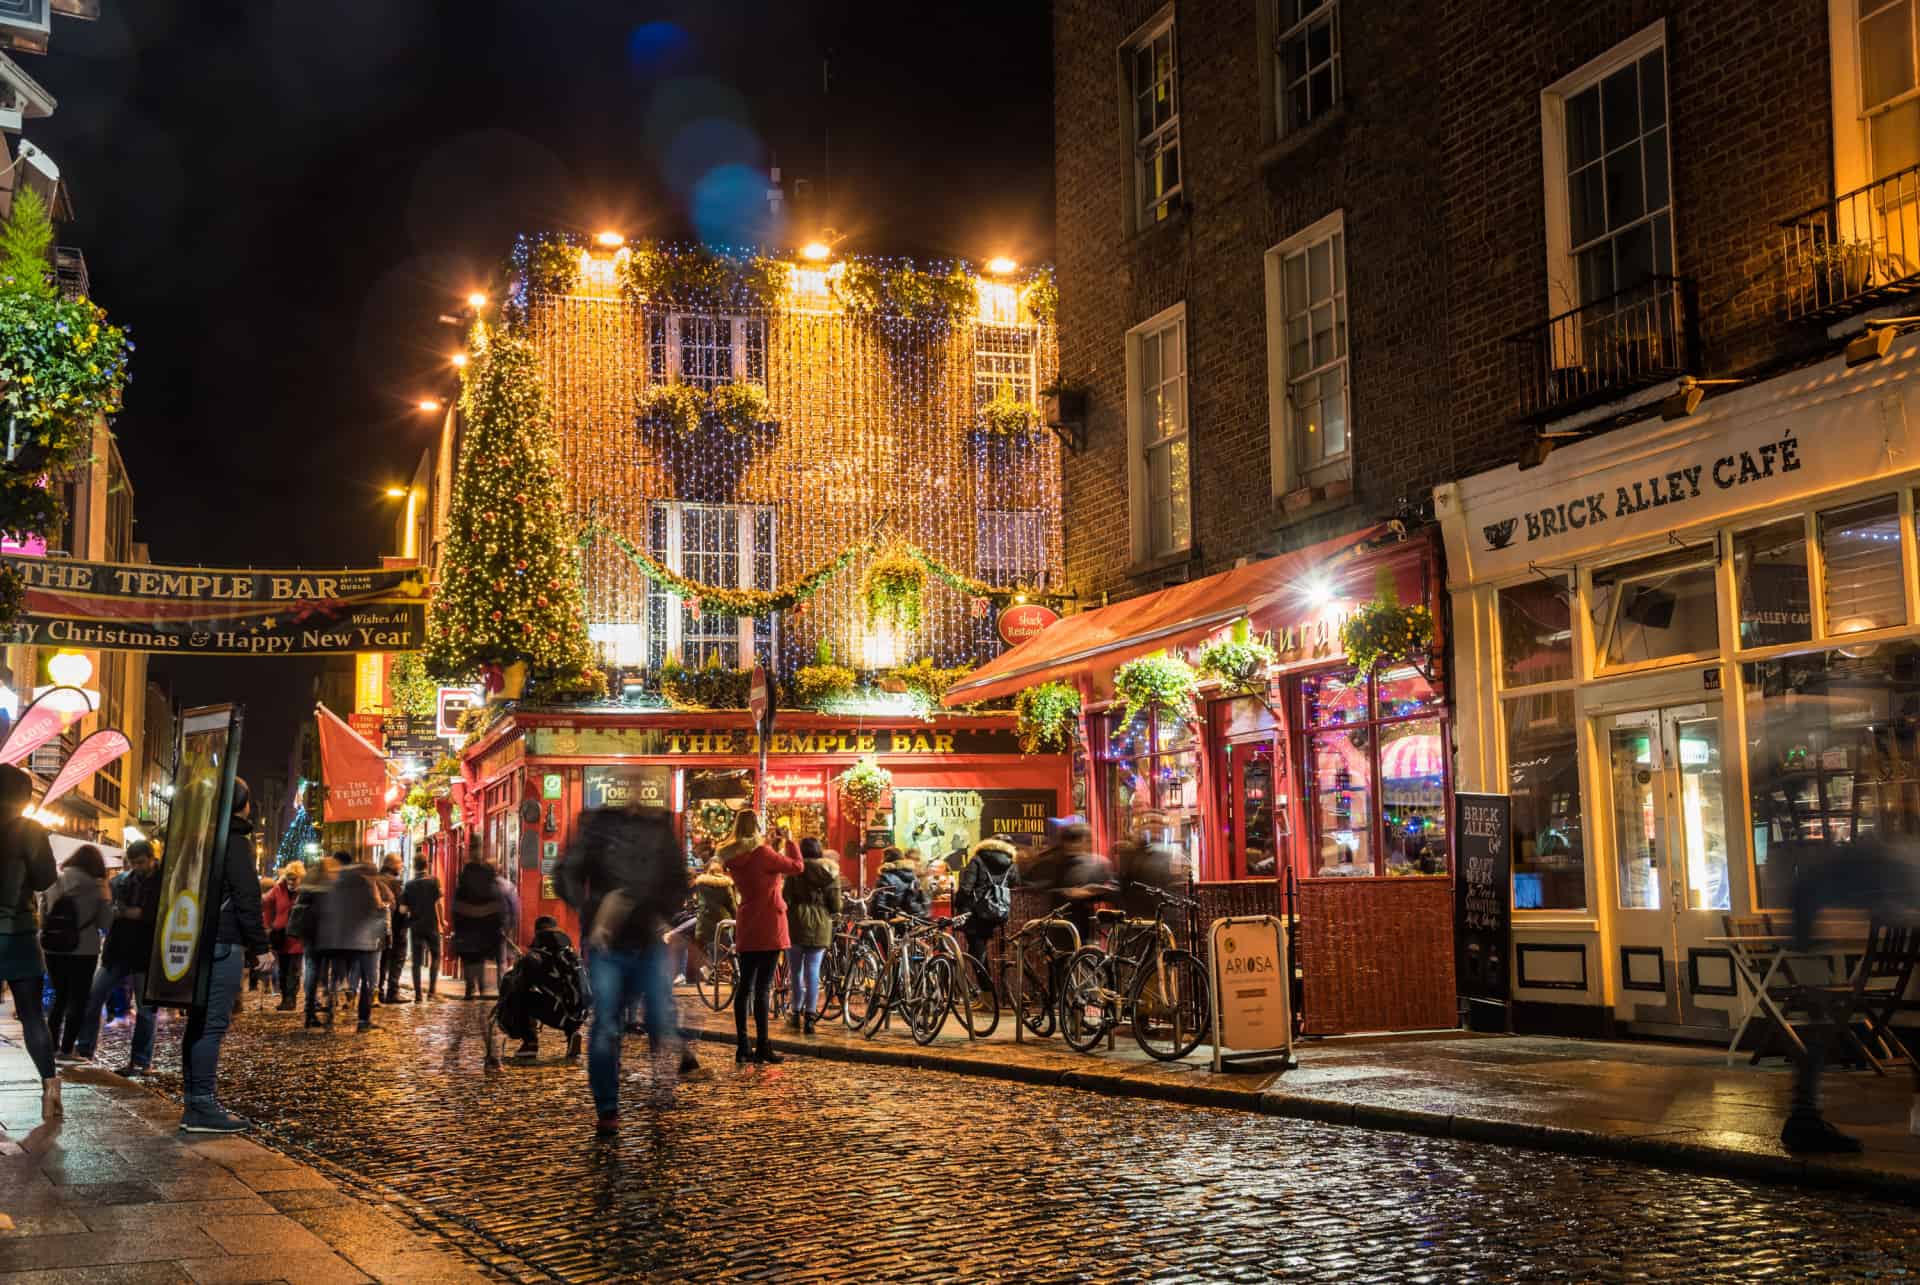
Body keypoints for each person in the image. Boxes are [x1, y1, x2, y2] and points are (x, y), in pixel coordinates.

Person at [557, 800, 689, 1133]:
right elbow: (567, 873)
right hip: (608, 944)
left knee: (660, 1018)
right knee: (606, 1027)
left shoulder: (659, 826)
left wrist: (659, 915)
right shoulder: (598, 825)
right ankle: (607, 1108)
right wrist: (593, 910)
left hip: (648, 938)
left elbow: (677, 880)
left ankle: (663, 1090)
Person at [179, 776, 269, 1133]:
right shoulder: (234, 841)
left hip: (198, 939)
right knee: (212, 1024)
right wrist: (260, 948)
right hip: (223, 942)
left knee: (198, 1023)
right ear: (242, 804)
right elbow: (247, 897)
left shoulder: (198, 837)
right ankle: (201, 1106)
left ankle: (194, 1103)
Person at [73, 840, 163, 1074]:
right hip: (118, 951)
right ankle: (85, 1050)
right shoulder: (121, 881)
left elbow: (155, 913)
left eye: (140, 862)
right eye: (132, 863)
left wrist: (133, 913)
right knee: (93, 996)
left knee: (145, 1010)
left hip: (147, 953)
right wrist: (125, 912)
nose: (136, 867)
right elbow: (113, 911)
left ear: (152, 858)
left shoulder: (164, 882)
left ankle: (141, 1061)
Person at [720, 811, 803, 1065]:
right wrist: (790, 841)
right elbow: (797, 867)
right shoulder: (763, 854)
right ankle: (763, 1045)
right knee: (763, 988)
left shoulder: (733, 856)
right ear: (756, 827)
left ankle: (743, 1045)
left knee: (744, 986)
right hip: (769, 922)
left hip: (747, 922)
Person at [0, 764, 59, 1119]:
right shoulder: (29, 830)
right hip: (18, 933)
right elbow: (43, 879)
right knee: (32, 1015)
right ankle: (50, 1087)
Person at [41, 844, 112, 1063]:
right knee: (78, 999)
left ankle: (51, 1047)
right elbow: (105, 922)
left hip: (53, 947)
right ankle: (67, 1050)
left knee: (59, 996)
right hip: (84, 948)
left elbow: (43, 915)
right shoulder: (98, 887)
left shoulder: (55, 880)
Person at [316, 850, 391, 1031]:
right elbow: (373, 907)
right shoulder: (365, 884)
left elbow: (327, 910)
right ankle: (363, 1020)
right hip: (361, 938)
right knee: (366, 978)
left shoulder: (335, 882)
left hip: (337, 938)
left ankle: (330, 1010)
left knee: (337, 975)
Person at [496, 915, 588, 1060]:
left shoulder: (536, 958)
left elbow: (520, 987)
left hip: (559, 1015)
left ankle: (530, 1043)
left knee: (521, 996)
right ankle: (572, 1035)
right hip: (578, 1016)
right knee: (563, 998)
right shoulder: (572, 955)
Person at [784, 836, 841, 1034]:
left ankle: (795, 1012)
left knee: (796, 971)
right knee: (813, 970)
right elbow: (836, 905)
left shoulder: (794, 872)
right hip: (820, 924)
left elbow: (785, 899)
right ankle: (810, 1016)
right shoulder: (830, 873)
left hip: (796, 923)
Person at [1021, 822, 1115, 943]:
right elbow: (1035, 887)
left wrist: (1095, 892)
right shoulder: (1054, 862)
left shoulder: (1096, 864)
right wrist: (1069, 893)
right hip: (1059, 928)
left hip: (1082, 929)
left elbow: (1113, 891)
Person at [955, 837, 1019, 969]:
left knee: (976, 949)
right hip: (999, 911)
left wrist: (958, 904)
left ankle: (986, 986)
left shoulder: (977, 859)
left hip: (976, 913)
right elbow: (1014, 884)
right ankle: (999, 982)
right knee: (997, 949)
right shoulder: (1011, 862)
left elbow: (966, 888)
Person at [1113, 811, 1189, 920]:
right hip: (1137, 918)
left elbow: (1174, 889)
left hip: (1161, 917)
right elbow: (1123, 886)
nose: (1154, 827)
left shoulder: (1169, 854)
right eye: (1150, 823)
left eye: (1158, 824)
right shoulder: (1132, 853)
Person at [451, 857, 506, 998]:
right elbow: (499, 909)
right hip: (483, 932)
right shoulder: (490, 888)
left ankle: (470, 989)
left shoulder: (462, 889)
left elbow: (455, 910)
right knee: (479, 960)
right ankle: (481, 988)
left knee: (469, 960)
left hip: (465, 932)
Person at [294, 859, 337, 1028]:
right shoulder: (332, 884)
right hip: (328, 933)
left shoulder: (308, 882)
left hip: (309, 932)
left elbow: (299, 906)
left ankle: (309, 1009)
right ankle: (328, 1006)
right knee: (331, 971)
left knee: (311, 969)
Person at [261, 860, 304, 1012]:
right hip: (281, 936)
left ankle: (291, 999)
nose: (291, 882)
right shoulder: (278, 889)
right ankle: (285, 998)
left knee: (294, 969)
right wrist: (268, 925)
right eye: (289, 878)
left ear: (300, 877)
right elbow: (265, 903)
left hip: (297, 936)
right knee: (282, 970)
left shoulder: (305, 892)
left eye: (294, 878)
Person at [401, 855, 445, 1000]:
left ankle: (418, 994)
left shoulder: (409, 885)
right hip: (431, 925)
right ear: (427, 865)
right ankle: (432, 992)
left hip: (416, 926)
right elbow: (438, 904)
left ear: (414, 866)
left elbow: (402, 909)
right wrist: (442, 922)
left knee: (416, 961)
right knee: (436, 956)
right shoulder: (433, 881)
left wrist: (412, 909)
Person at [869, 847, 931, 922]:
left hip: (895, 920)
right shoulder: (913, 876)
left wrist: (871, 913)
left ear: (885, 860)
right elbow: (922, 899)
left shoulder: (886, 877)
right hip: (913, 918)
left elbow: (879, 904)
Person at [379, 853, 409, 1003]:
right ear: (391, 865)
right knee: (397, 960)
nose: (401, 866)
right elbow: (401, 909)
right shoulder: (395, 884)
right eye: (399, 863)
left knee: (381, 962)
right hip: (396, 929)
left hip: (378, 929)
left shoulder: (376, 880)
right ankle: (393, 992)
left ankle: (378, 992)